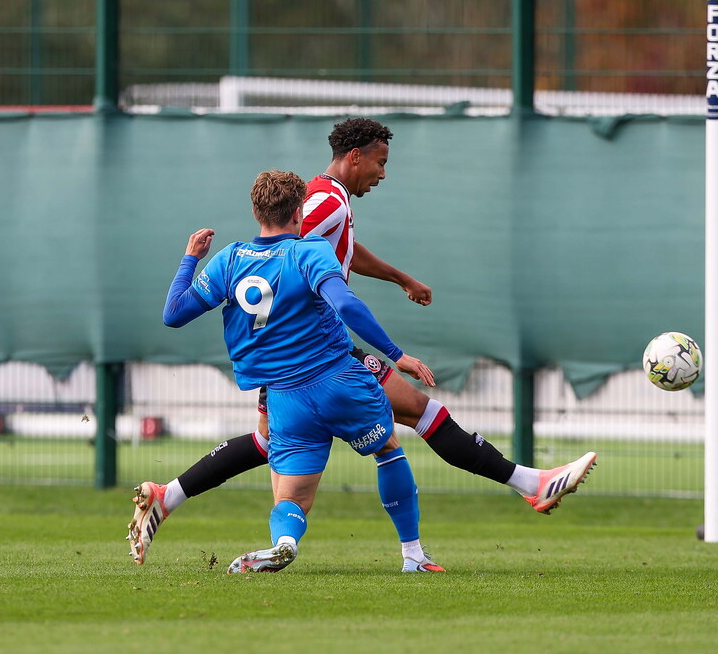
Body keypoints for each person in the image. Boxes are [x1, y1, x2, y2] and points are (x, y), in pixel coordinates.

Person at [128, 118, 597, 566]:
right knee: (409, 419)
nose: (382, 173)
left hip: (289, 360)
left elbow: (333, 253)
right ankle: (507, 497)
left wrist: (398, 277)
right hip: (317, 353)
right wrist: (394, 352)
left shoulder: (326, 203)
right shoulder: (323, 203)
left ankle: (171, 498)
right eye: (380, 162)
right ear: (354, 157)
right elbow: (292, 257)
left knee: (281, 449)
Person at [128, 170, 443, 573]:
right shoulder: (309, 250)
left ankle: (286, 543)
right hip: (338, 380)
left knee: (291, 499)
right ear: (299, 212)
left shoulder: (229, 259)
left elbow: (173, 315)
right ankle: (413, 556)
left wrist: (190, 258)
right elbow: (346, 306)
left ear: (256, 210)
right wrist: (396, 354)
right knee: (386, 450)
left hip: (285, 399)